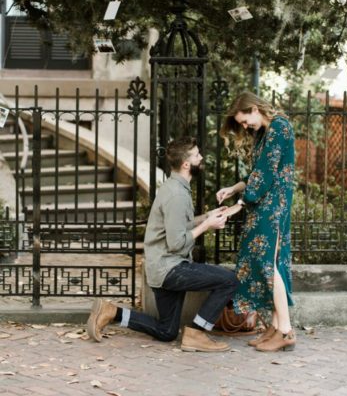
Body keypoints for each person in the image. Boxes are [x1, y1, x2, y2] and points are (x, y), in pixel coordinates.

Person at [87, 136, 239, 352]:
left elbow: (178, 226)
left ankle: (112, 312)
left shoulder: (174, 187)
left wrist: (208, 216)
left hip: (161, 266)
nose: (201, 157)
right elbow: (177, 243)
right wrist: (207, 226)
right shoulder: (177, 194)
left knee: (166, 331)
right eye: (197, 155)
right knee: (229, 280)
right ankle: (196, 333)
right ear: (187, 164)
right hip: (171, 268)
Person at [216, 91, 296, 352]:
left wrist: (240, 204)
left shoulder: (279, 128)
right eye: (241, 123)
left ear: (254, 108)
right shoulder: (266, 132)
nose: (245, 126)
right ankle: (274, 327)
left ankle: (285, 331)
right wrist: (234, 188)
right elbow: (255, 174)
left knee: (268, 266)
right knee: (271, 264)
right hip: (266, 204)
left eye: (244, 120)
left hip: (272, 206)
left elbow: (264, 175)